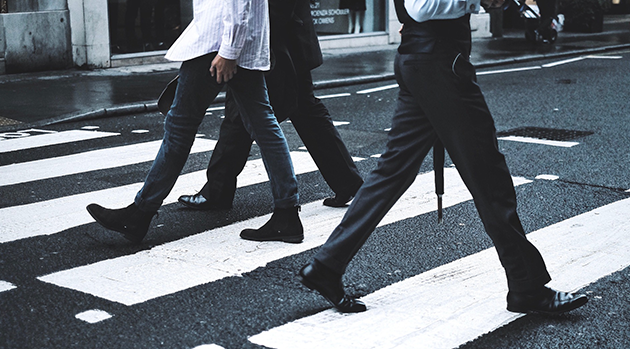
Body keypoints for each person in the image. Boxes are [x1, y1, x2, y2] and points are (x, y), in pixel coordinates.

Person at [298, 0, 589, 314]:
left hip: (426, 60)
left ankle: (327, 266)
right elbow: (422, 6)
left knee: (392, 172)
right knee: (489, 177)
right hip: (439, 65)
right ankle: (527, 286)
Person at [87, 0, 303, 244]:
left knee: (179, 127)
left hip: (215, 43)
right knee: (264, 126)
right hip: (233, 39)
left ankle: (140, 212)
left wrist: (229, 50)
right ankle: (287, 213)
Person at [178, 0, 364, 219]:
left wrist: (239, 44)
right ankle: (349, 184)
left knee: (243, 114)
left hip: (277, 41)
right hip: (286, 39)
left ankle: (220, 191)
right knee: (301, 111)